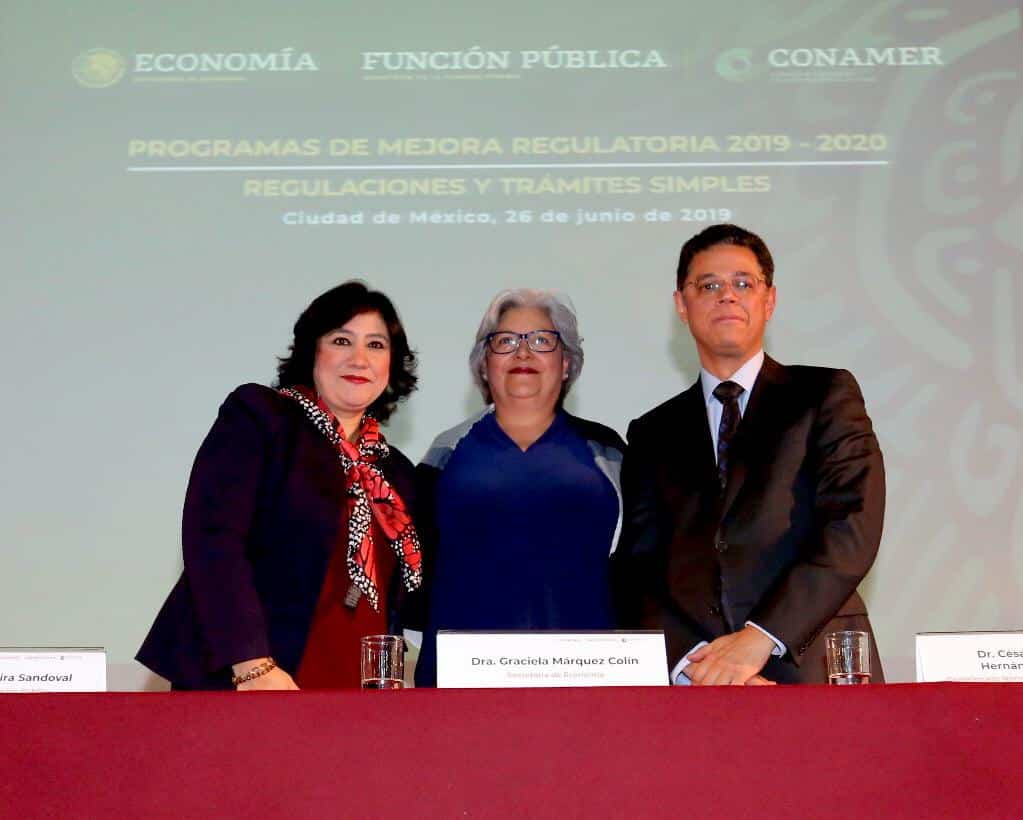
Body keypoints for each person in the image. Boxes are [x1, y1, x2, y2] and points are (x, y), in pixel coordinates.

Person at [614, 224, 885, 685]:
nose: (727, 296)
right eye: (709, 285)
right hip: (699, 684)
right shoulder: (652, 433)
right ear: (681, 304)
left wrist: (760, 638)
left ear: (769, 300)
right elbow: (638, 569)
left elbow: (852, 524)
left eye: (743, 283)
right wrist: (697, 665)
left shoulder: (824, 394)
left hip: (815, 667)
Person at [136, 281, 422, 690]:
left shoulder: (397, 474)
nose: (359, 359)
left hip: (357, 694)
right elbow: (214, 540)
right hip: (256, 682)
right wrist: (251, 666)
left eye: (376, 345)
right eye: (341, 340)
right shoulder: (263, 419)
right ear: (312, 351)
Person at [413, 289, 626, 687]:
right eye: (506, 341)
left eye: (542, 340)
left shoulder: (607, 451)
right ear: (484, 364)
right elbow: (414, 574)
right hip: (462, 683)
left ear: (566, 363)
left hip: (587, 677)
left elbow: (640, 564)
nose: (523, 353)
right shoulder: (445, 452)